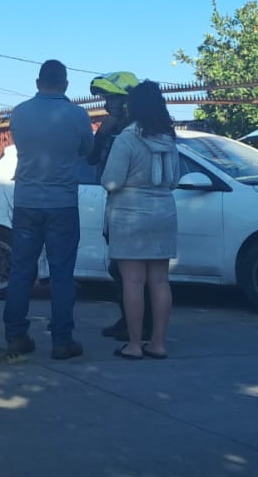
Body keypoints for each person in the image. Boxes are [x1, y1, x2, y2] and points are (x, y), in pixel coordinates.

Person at [3, 60, 95, 361]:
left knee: (21, 271)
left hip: (27, 201)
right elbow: (87, 152)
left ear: (37, 81)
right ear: (66, 84)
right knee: (61, 274)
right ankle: (61, 340)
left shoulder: (19, 113)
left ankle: (15, 336)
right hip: (62, 203)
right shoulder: (77, 116)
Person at [101, 80, 179, 360]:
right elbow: (175, 179)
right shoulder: (169, 139)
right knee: (160, 281)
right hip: (164, 213)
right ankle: (158, 343)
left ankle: (134, 344)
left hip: (130, 216)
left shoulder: (127, 138)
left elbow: (110, 181)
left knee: (132, 282)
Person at [87, 72, 152, 343]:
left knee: (132, 273)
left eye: (113, 100)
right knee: (124, 271)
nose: (108, 106)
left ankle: (138, 326)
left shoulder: (132, 134)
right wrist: (104, 130)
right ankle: (131, 321)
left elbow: (109, 176)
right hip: (124, 210)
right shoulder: (123, 130)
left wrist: (107, 132)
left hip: (130, 211)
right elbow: (92, 158)